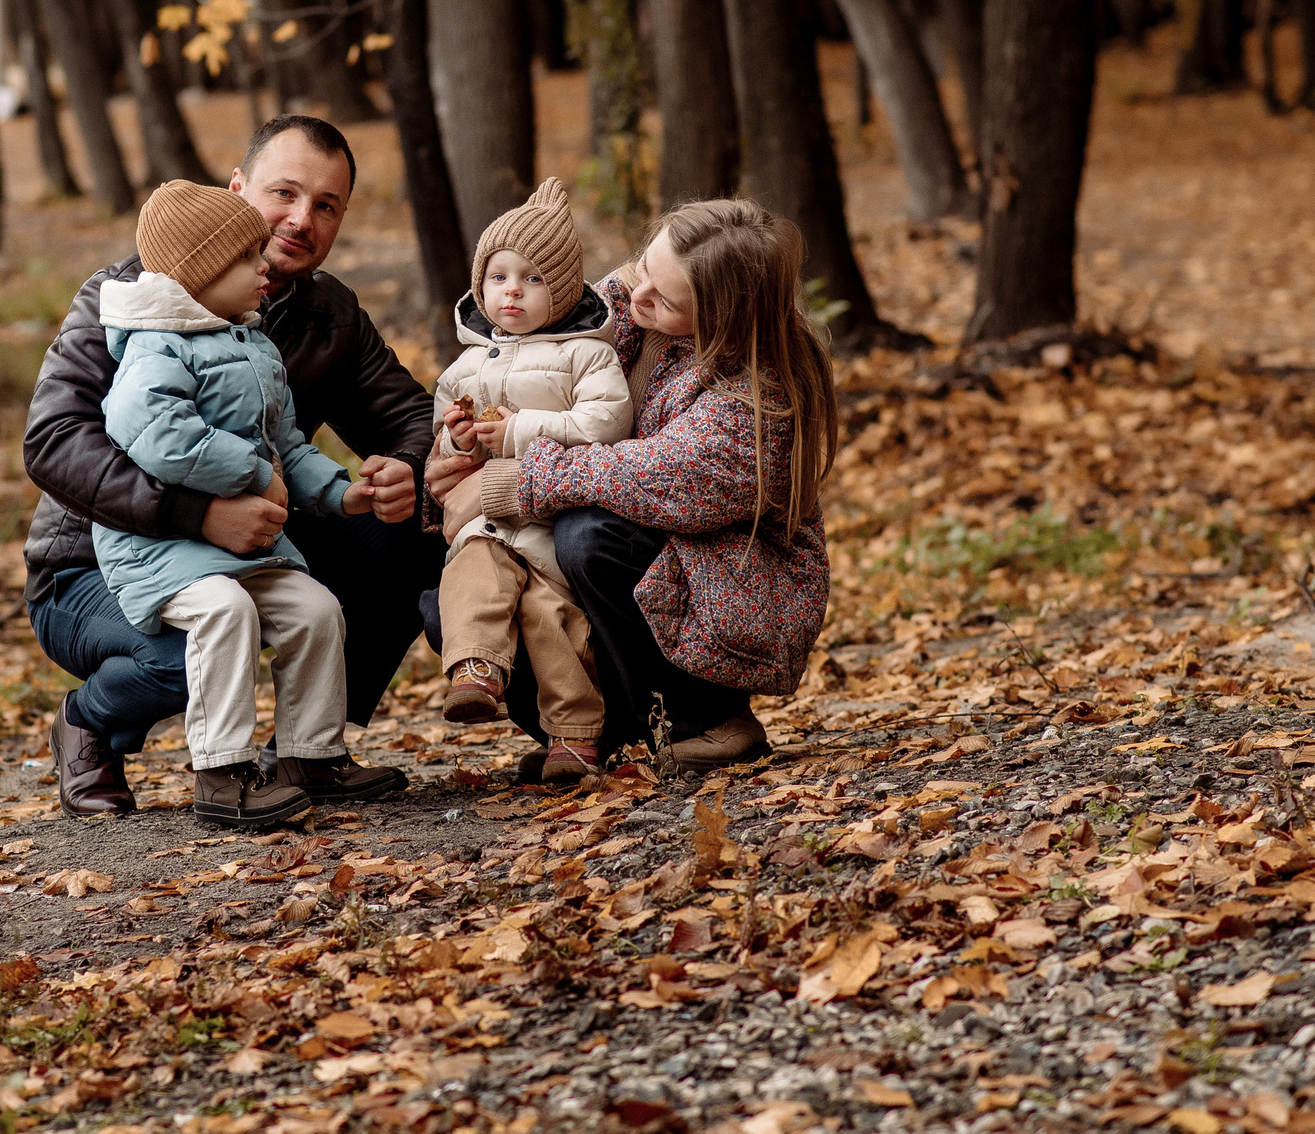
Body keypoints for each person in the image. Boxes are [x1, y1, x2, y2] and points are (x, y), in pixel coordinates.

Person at [23, 115, 444, 815]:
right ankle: (87, 721)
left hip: (250, 543)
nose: (302, 219)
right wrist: (199, 514)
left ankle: (308, 752)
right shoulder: (131, 299)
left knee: (410, 530)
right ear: (237, 188)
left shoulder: (328, 315)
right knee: (199, 649)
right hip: (97, 564)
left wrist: (403, 466)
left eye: (327, 205)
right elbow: (53, 441)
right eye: (284, 193)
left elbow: (411, 418)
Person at [426, 199, 837, 771]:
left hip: (724, 583)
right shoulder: (618, 306)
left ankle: (709, 719)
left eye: (663, 300)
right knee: (453, 590)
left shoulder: (758, 390)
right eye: (643, 268)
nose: (633, 295)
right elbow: (519, 371)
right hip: (604, 534)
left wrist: (509, 480)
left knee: (588, 538)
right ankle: (581, 736)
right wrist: (452, 459)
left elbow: (661, 472)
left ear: (724, 318)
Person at [90, 181, 405, 825]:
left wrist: (341, 492)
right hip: (158, 547)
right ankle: (221, 772)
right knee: (226, 612)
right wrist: (253, 474)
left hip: (238, 549)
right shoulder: (156, 344)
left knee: (316, 609)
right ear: (198, 275)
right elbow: (157, 433)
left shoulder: (252, 343)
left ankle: (310, 755)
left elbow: (285, 443)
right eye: (245, 258)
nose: (265, 267)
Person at [429, 178, 631, 783]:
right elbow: (445, 444)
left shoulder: (585, 354)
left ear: (563, 290)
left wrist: (519, 429)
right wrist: (458, 438)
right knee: (470, 578)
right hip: (487, 518)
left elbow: (606, 423)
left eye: (533, 278)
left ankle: (575, 737)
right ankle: (476, 670)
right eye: (498, 276)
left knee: (551, 619)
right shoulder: (465, 365)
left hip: (546, 515)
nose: (511, 289)